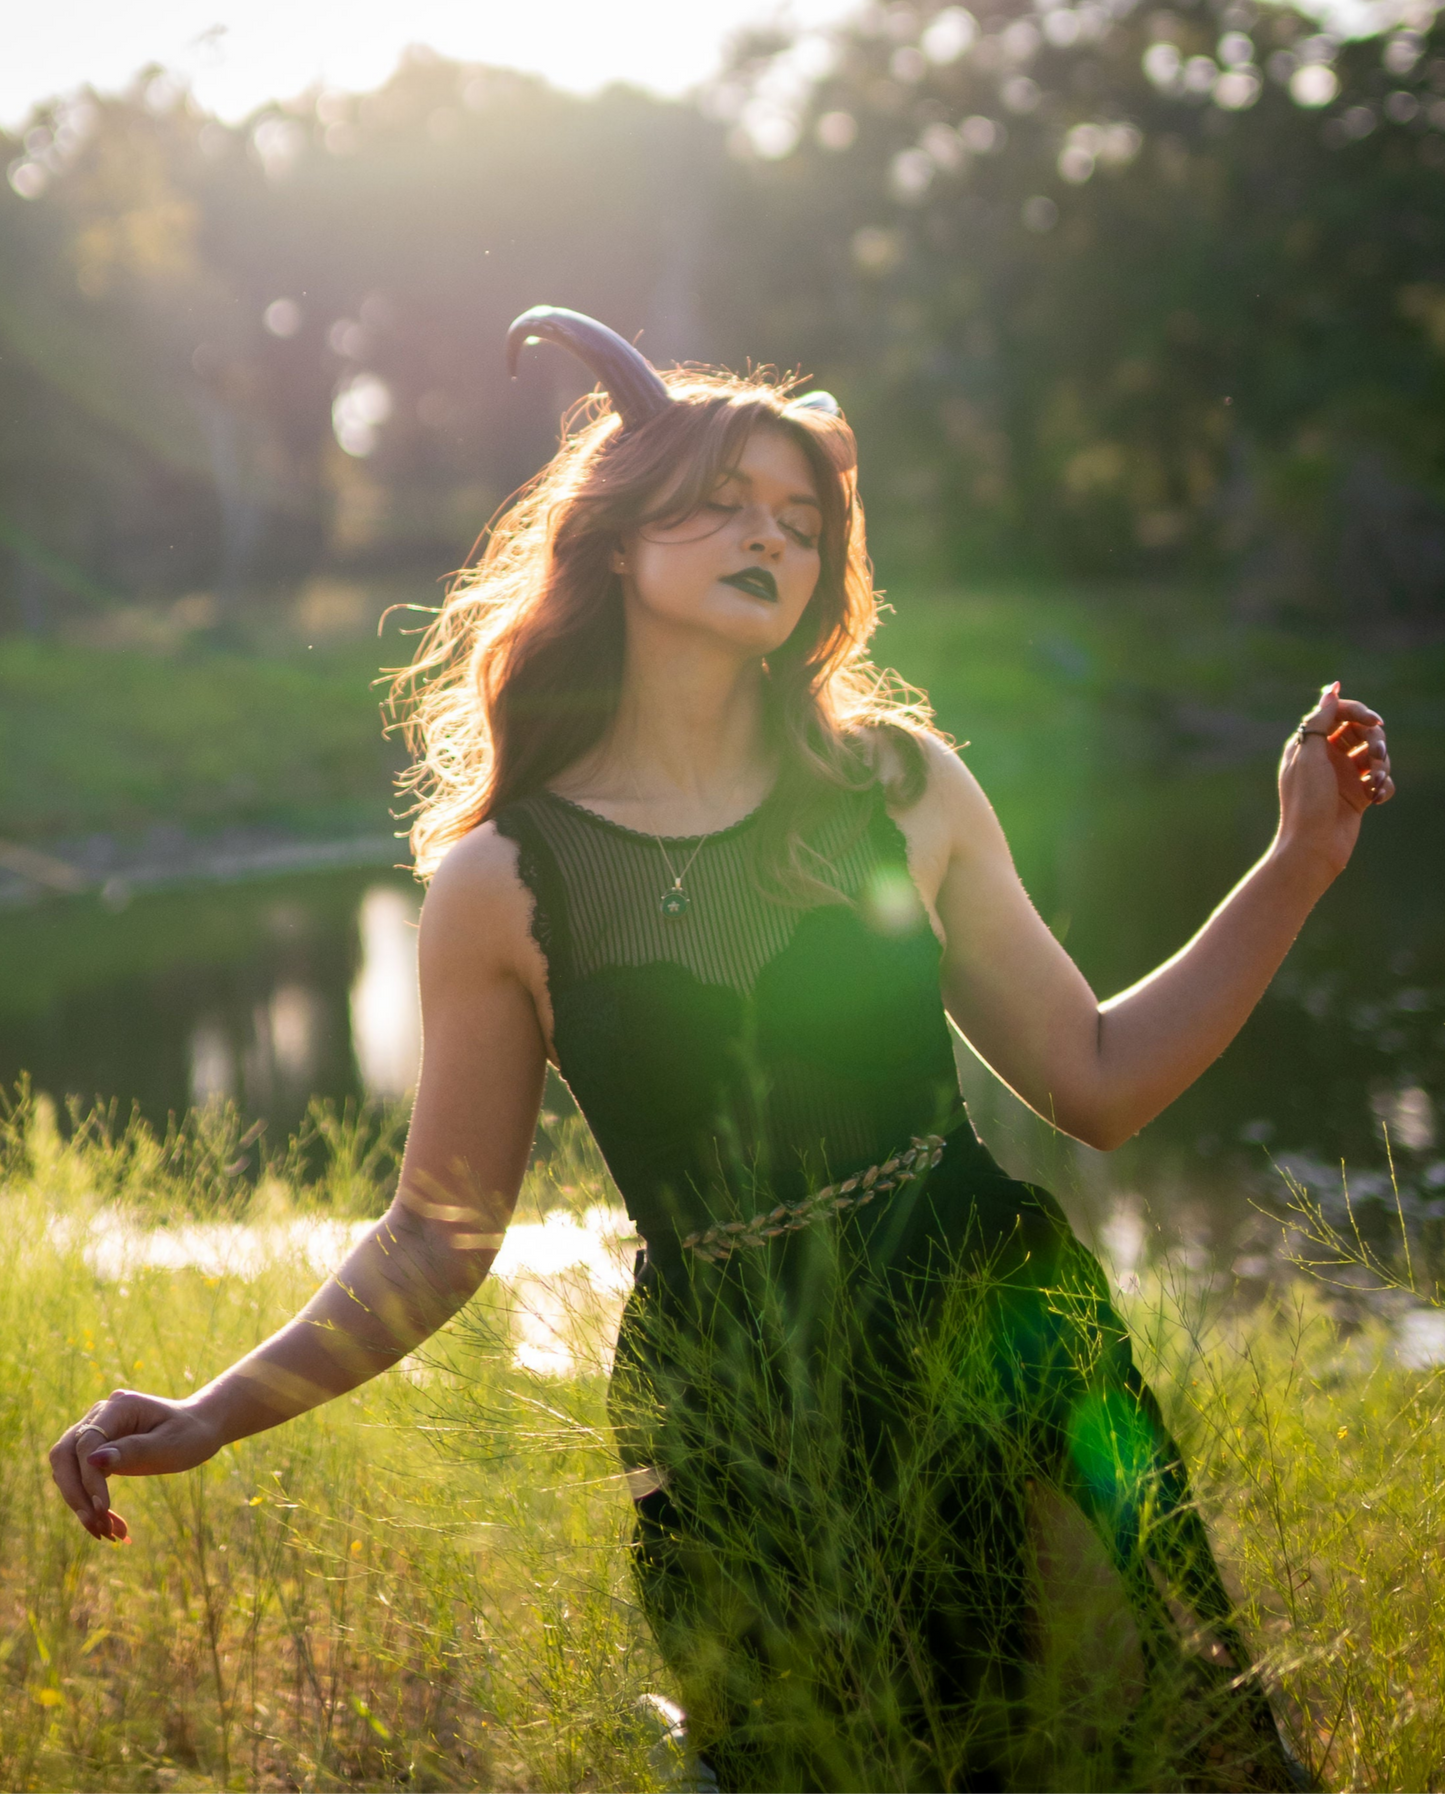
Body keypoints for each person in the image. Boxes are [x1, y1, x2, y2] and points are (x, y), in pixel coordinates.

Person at [51, 308, 1392, 1791]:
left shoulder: (900, 786)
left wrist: (1296, 865)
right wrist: (217, 1408)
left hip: (994, 1338)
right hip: (740, 1400)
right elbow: (437, 1240)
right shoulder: (504, 884)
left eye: (801, 521)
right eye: (725, 506)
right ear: (618, 545)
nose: (773, 538)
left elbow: (1096, 1078)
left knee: (1110, 1748)